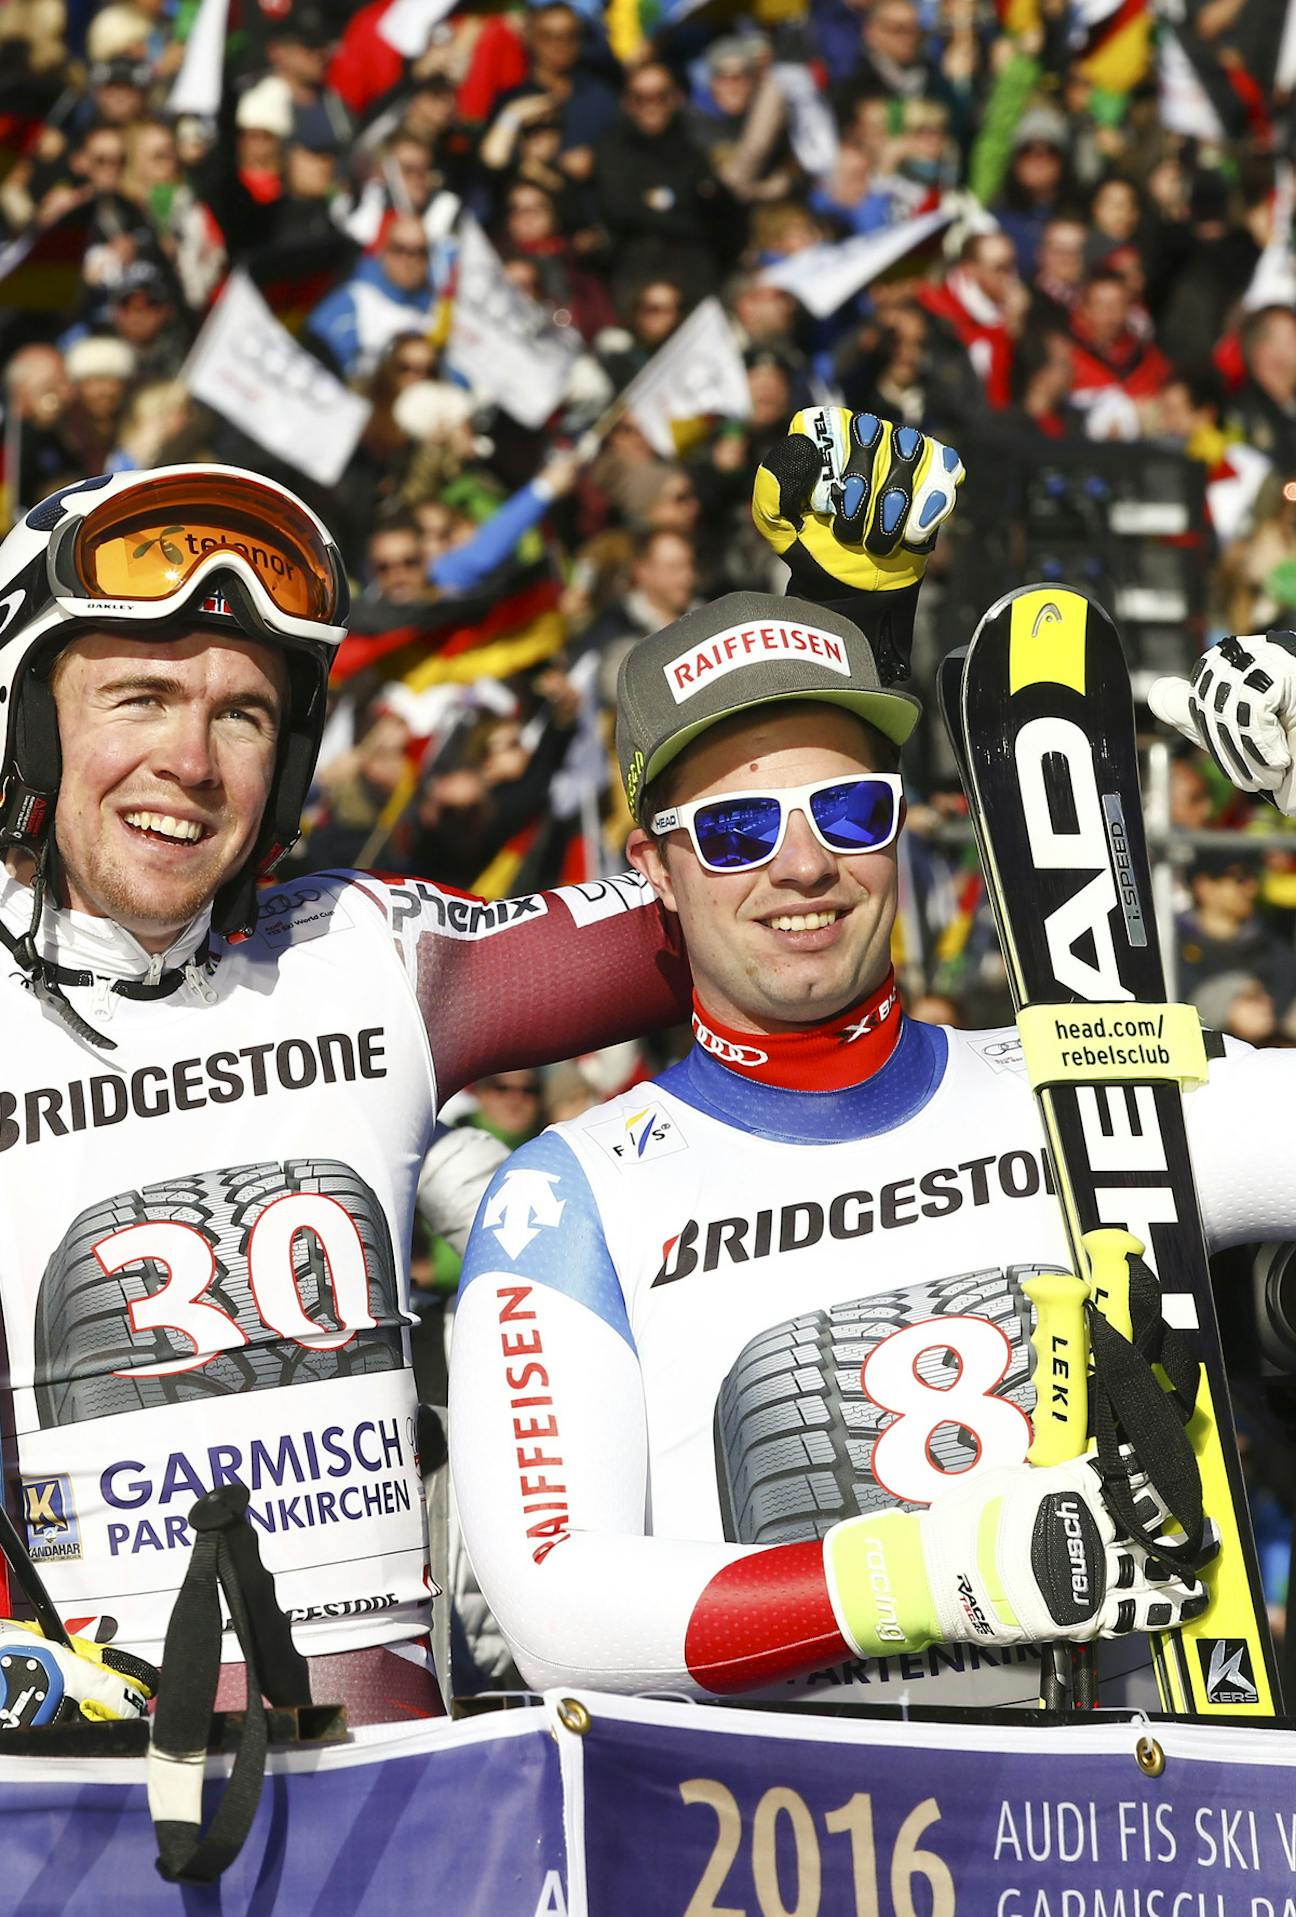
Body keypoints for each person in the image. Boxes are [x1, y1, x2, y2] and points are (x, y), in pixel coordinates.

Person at [0, 462, 709, 1736]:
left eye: (243, 716)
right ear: (23, 723)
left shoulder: (369, 953)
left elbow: (748, 916)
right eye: (140, 696)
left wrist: (839, 628)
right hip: (48, 1823)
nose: (192, 760)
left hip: (401, 1821)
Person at [446, 419, 1296, 1712]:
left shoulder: (1084, 1081)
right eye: (732, 830)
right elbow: (559, 1606)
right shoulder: (572, 1195)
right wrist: (964, 1570)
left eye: (851, 811)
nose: (803, 865)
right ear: (650, 869)